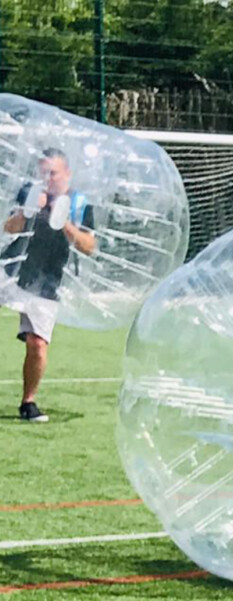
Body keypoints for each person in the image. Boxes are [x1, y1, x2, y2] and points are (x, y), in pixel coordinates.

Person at [2, 148, 97, 422]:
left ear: (66, 174)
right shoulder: (28, 192)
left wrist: (65, 223)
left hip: (47, 280)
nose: (46, 178)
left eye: (52, 173)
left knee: (37, 343)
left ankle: (28, 403)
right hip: (10, 268)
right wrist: (27, 210)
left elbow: (90, 246)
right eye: (42, 172)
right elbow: (10, 228)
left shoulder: (80, 203)